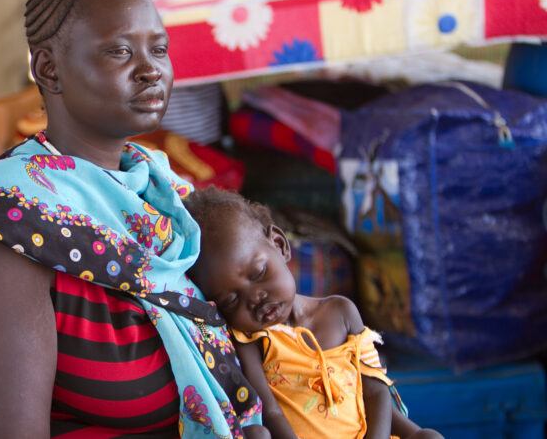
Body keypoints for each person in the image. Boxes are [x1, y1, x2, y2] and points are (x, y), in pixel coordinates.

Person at [0, 0, 268, 438]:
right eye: (120, 51)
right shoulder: (6, 232)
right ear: (49, 69)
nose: (151, 70)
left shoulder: (164, 196)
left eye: (159, 49)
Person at [183, 186, 444, 439]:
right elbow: (270, 413)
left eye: (259, 273)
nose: (255, 298)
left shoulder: (341, 311)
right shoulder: (250, 340)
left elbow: (376, 391)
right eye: (231, 300)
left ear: (280, 245)